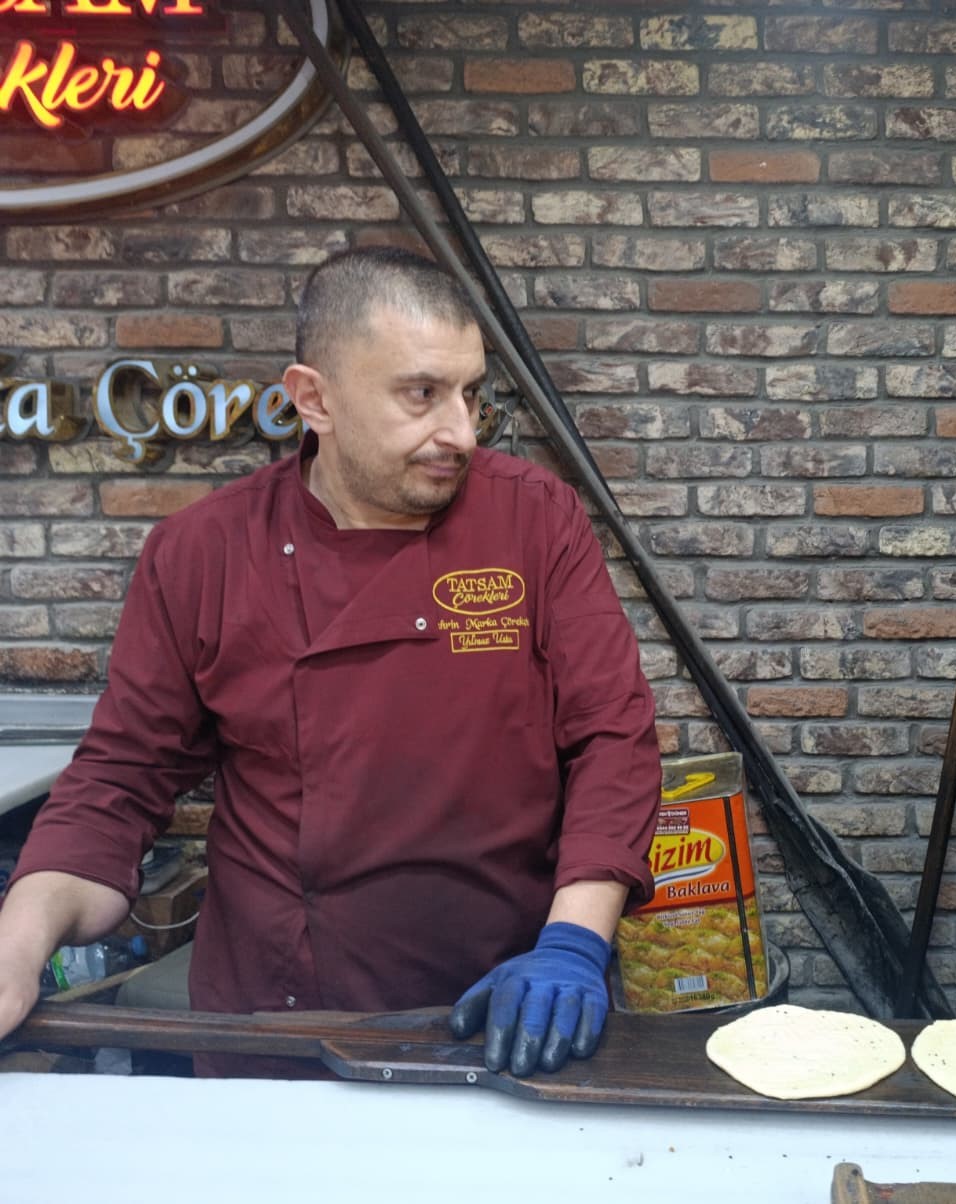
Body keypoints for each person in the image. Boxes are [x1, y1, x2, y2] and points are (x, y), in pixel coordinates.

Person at [0, 247, 662, 1077]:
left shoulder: (535, 520)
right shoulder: (202, 553)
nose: (458, 429)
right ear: (314, 398)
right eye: (421, 394)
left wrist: (572, 942)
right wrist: (16, 948)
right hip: (276, 1021)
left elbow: (612, 740)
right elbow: (120, 782)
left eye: (469, 394)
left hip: (502, 1004)